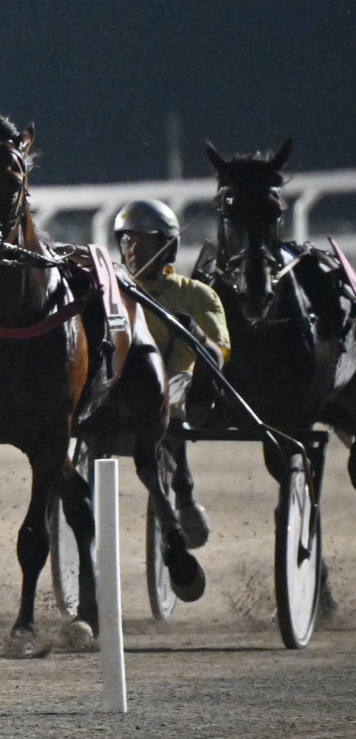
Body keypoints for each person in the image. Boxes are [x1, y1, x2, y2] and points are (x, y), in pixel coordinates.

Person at [114, 198, 229, 545]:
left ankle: (183, 487)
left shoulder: (197, 295)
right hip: (119, 388)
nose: (132, 249)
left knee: (165, 393)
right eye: (126, 240)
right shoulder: (112, 292)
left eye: (142, 241)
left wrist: (193, 330)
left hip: (180, 385)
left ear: (167, 246)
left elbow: (218, 355)